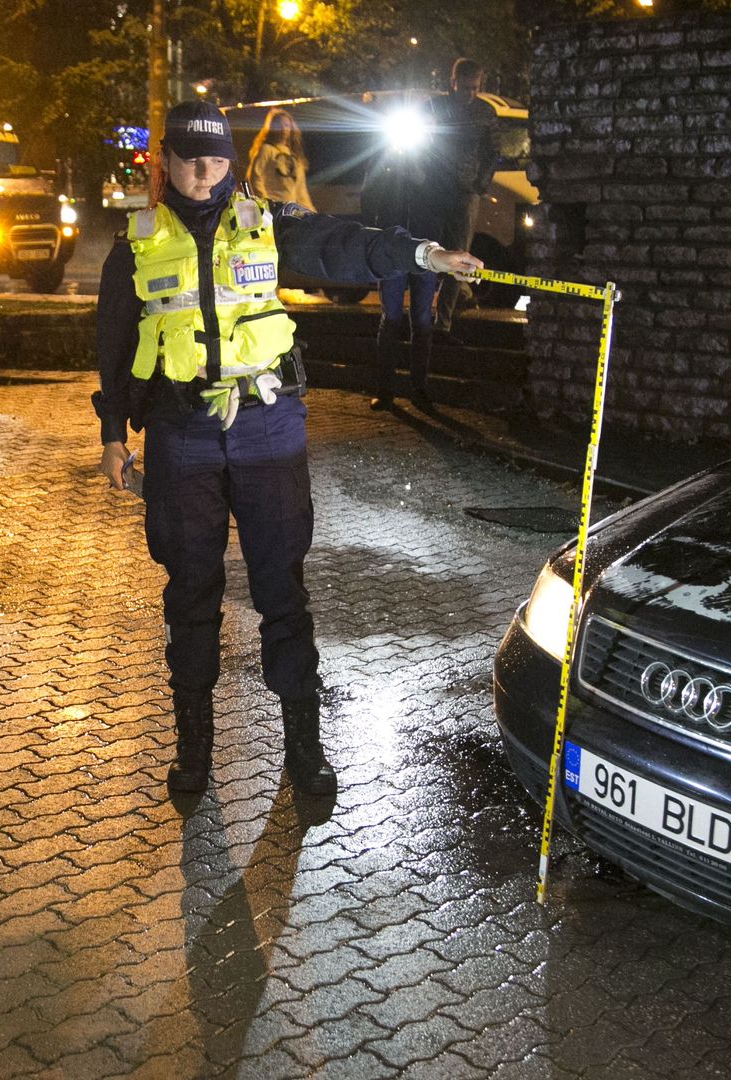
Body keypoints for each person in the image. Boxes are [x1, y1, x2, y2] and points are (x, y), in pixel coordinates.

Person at [92, 100, 481, 798]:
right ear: (167, 161)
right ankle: (194, 752)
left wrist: (423, 255)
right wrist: (112, 434)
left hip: (267, 432)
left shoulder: (265, 225)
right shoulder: (138, 242)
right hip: (181, 440)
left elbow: (344, 243)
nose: (203, 170)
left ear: (230, 161)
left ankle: (303, 749)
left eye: (214, 157)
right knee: (190, 595)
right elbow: (114, 344)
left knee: (282, 592)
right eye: (189, 157)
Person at [360, 94, 446, 411]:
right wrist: (376, 236)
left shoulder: (437, 158)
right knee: (391, 317)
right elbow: (369, 195)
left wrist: (422, 179)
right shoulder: (386, 153)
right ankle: (385, 390)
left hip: (427, 248)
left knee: (422, 319)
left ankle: (419, 388)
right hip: (392, 247)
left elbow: (447, 199)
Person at [429, 58, 499, 341]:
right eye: (465, 88)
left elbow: (493, 152)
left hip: (466, 192)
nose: (470, 94)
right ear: (453, 83)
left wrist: (480, 185)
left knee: (459, 254)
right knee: (432, 250)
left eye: (475, 88)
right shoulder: (436, 108)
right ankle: (459, 299)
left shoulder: (485, 112)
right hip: (436, 191)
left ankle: (442, 323)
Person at [246, 107, 313, 211]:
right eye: (279, 125)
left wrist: (311, 212)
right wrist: (266, 205)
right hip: (274, 210)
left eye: (286, 125)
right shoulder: (266, 150)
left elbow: (301, 190)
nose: (283, 129)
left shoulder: (294, 156)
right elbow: (254, 177)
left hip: (291, 211)